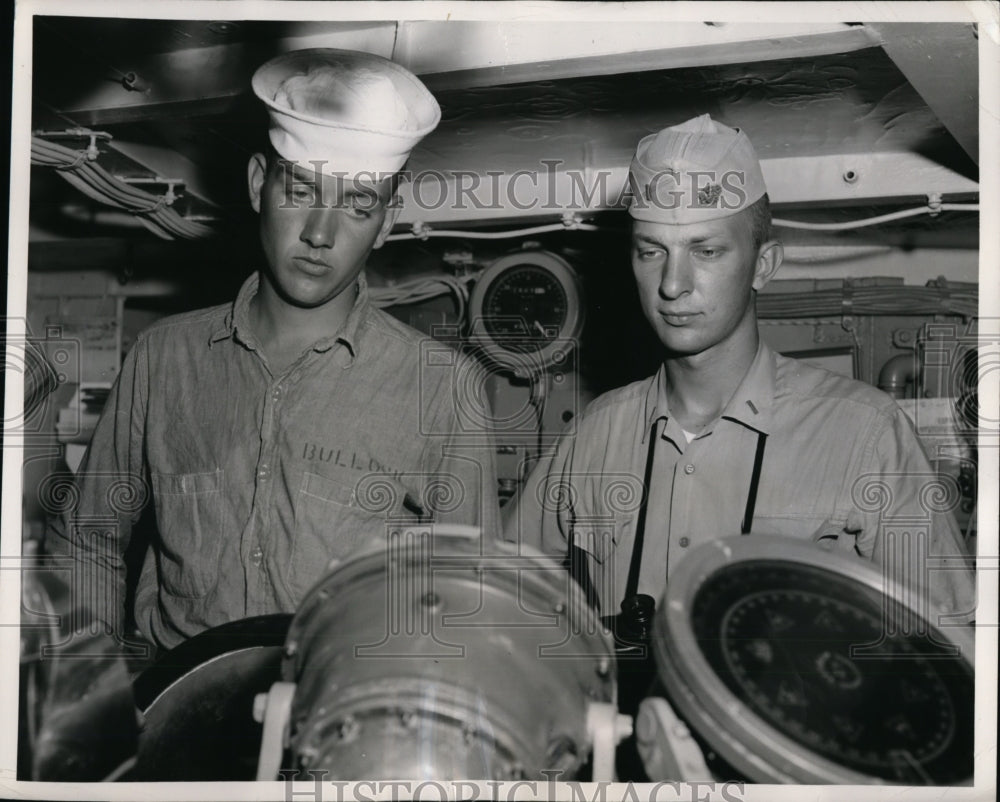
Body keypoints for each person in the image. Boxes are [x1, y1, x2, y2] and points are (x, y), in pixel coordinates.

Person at [46, 49, 500, 652]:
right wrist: (95, 697)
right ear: (260, 182)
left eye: (357, 205)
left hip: (335, 724)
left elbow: (465, 603)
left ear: (386, 221)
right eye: (303, 190)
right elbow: (87, 539)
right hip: (179, 711)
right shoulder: (163, 359)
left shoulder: (443, 388)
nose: (320, 232)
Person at [502, 114, 975, 628]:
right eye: (651, 251)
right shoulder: (596, 434)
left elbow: (948, 641)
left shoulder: (866, 434)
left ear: (764, 265)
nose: (672, 284)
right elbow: (492, 583)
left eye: (706, 251)